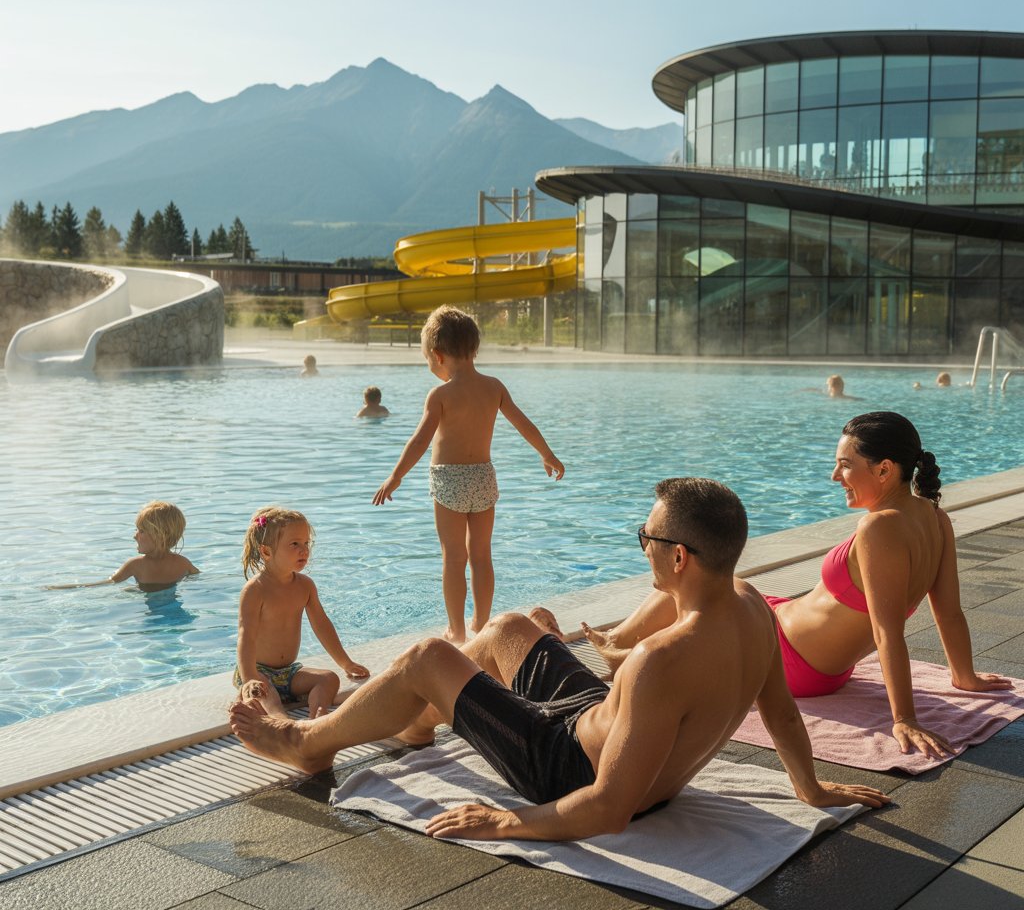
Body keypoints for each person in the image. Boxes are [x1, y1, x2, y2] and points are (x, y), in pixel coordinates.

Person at [230, 478, 887, 840]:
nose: (646, 549)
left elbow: (607, 807)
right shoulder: (751, 609)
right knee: (511, 628)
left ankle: (307, 740)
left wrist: (510, 821)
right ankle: (419, 715)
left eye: (647, 538)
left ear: (679, 557)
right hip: (603, 725)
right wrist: (810, 786)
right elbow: (779, 710)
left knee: (430, 653)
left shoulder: (665, 656)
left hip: (565, 769)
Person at [583, 413, 1013, 758]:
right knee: (730, 585)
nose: (834, 476)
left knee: (696, 573)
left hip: (790, 657)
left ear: (884, 469)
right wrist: (964, 676)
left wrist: (903, 718)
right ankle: (617, 644)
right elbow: (949, 610)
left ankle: (619, 648)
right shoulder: (935, 518)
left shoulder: (879, 529)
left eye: (845, 465)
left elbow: (887, 632)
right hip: (813, 656)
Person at [372, 305, 564, 644]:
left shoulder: (441, 395)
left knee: (453, 557)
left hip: (449, 481)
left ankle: (457, 630)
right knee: (481, 555)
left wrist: (396, 476)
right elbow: (523, 423)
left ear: (437, 355)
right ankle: (482, 623)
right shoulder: (494, 387)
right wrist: (546, 454)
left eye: (428, 361)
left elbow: (420, 440)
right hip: (483, 479)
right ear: (474, 349)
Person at [235, 506, 369, 718]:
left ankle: (319, 714)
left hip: (289, 673)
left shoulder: (305, 586)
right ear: (266, 551)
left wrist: (346, 663)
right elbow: (246, 636)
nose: (304, 550)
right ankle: (281, 720)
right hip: (257, 670)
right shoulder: (255, 590)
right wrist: (249, 677)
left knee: (329, 678)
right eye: (294, 544)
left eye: (306, 543)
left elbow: (322, 626)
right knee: (262, 692)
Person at [46, 501, 199, 592]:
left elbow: (107, 584)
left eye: (141, 531)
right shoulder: (182, 563)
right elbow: (198, 579)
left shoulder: (137, 565)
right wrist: (65, 587)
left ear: (160, 535)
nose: (134, 535)